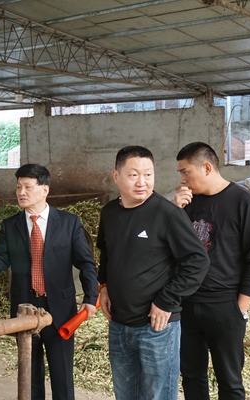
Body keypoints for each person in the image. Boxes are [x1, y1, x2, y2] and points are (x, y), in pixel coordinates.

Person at [0, 163, 98, 400]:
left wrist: (90, 298)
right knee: (30, 374)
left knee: (62, 374)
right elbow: (2, 260)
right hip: (24, 307)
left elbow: (86, 263)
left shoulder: (69, 223)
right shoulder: (10, 225)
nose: (21, 192)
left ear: (44, 190)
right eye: (18, 187)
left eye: (27, 187)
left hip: (60, 309)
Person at [97, 145, 210, 400]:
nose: (142, 182)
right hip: (119, 324)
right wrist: (103, 285)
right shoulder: (109, 213)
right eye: (134, 174)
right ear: (116, 176)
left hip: (157, 327)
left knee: (157, 395)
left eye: (148, 174)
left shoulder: (166, 213)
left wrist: (166, 300)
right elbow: (106, 253)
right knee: (125, 394)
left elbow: (197, 261)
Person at [174, 142, 250, 400]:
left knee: (229, 379)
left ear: (206, 167)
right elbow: (170, 251)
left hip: (225, 305)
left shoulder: (244, 202)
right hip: (187, 304)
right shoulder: (185, 204)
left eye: (185, 172)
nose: (182, 179)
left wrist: (240, 308)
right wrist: (174, 212)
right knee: (192, 376)